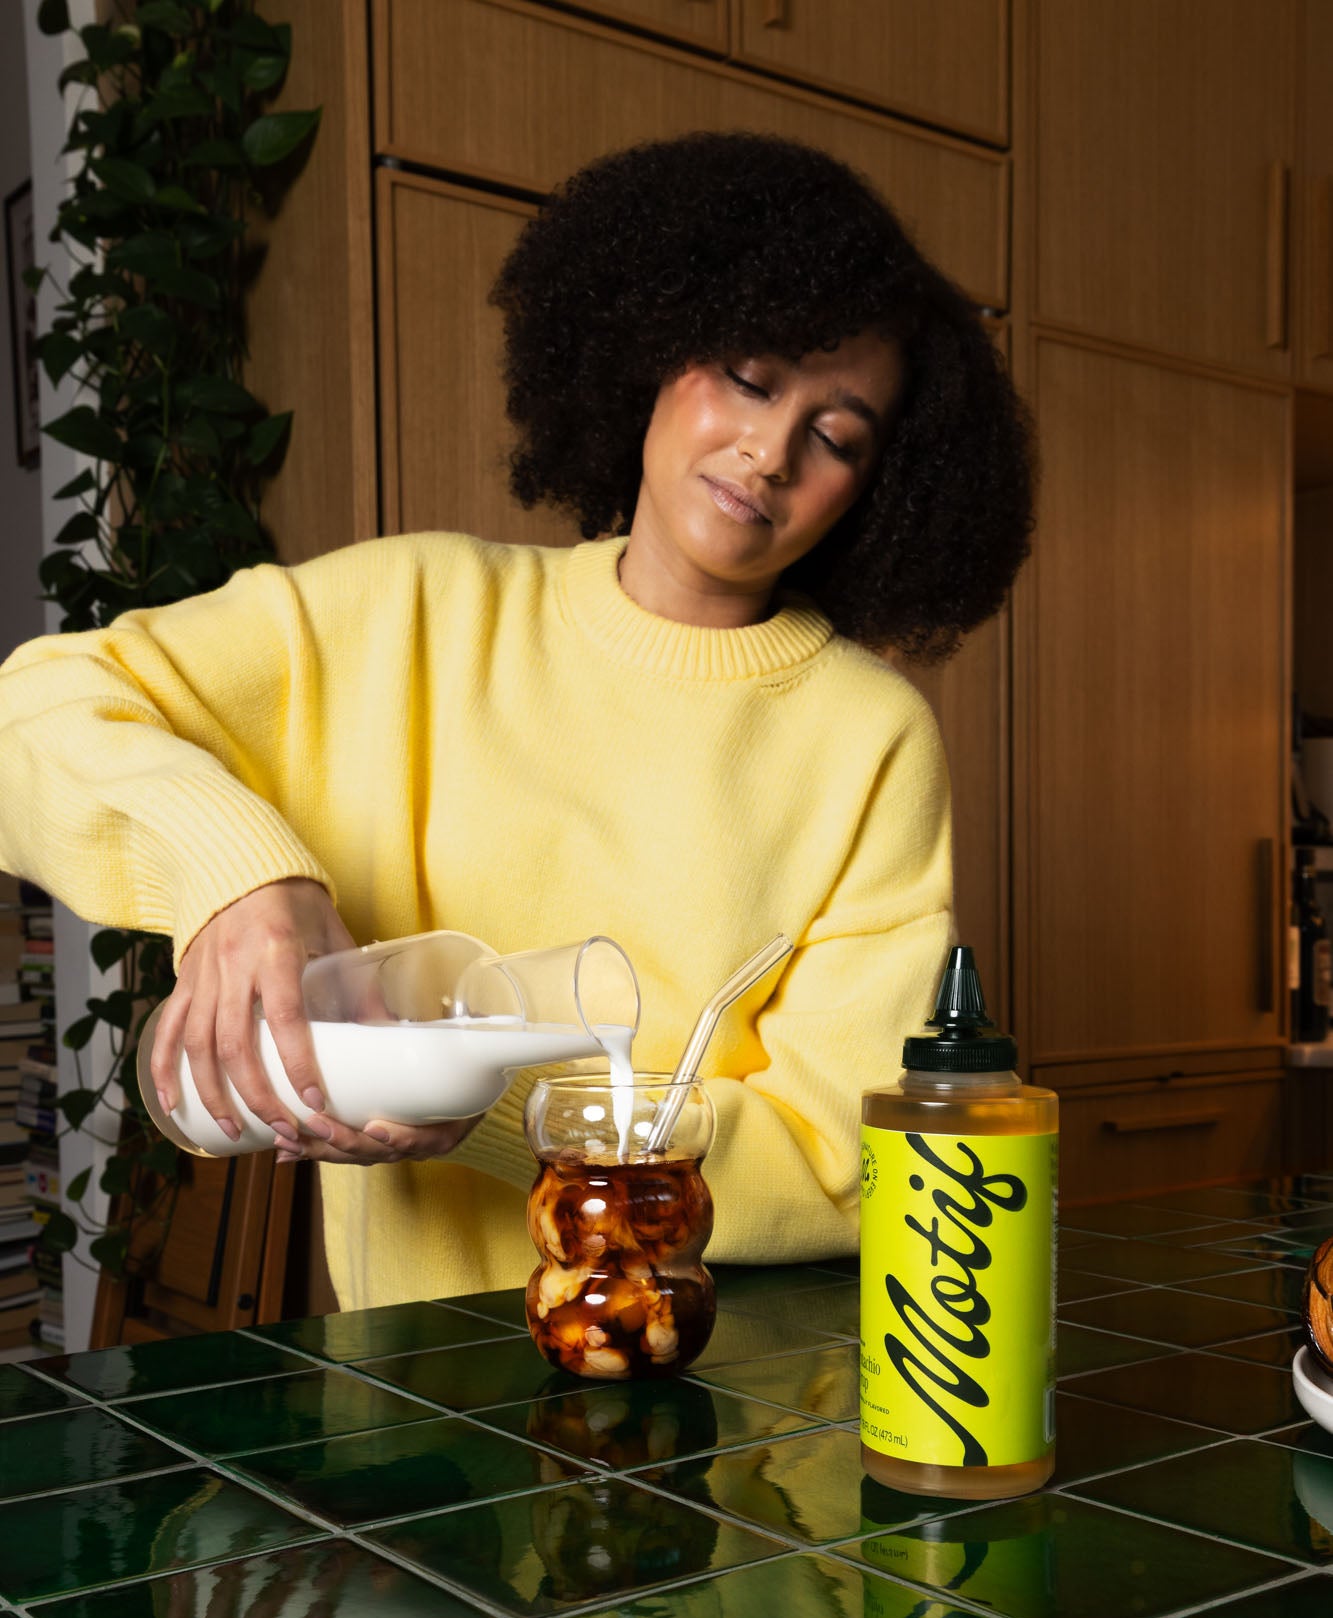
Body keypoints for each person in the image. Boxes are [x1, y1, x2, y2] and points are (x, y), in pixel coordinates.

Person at [0, 132, 1034, 1310]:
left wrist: (491, 1105)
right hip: (414, 1394)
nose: (769, 450)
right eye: (750, 377)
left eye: (836, 435)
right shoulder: (409, 611)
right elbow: (32, 709)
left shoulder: (868, 738)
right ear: (656, 341)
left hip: (727, 1384)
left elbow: (844, 1167)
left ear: (877, 490)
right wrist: (242, 883)